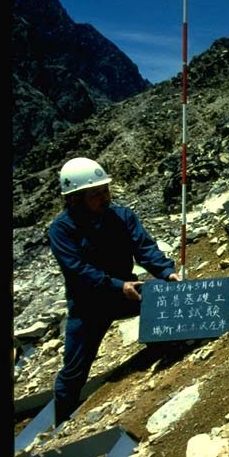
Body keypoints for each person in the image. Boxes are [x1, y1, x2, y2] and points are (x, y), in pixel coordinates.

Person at [48, 157, 181, 426]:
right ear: (74, 199)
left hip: (127, 293)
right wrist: (119, 286)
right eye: (96, 194)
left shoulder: (122, 216)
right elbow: (78, 270)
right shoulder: (61, 230)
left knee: (165, 300)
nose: (105, 197)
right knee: (73, 372)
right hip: (88, 307)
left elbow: (145, 249)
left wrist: (167, 271)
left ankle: (165, 350)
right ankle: (60, 424)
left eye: (105, 190)